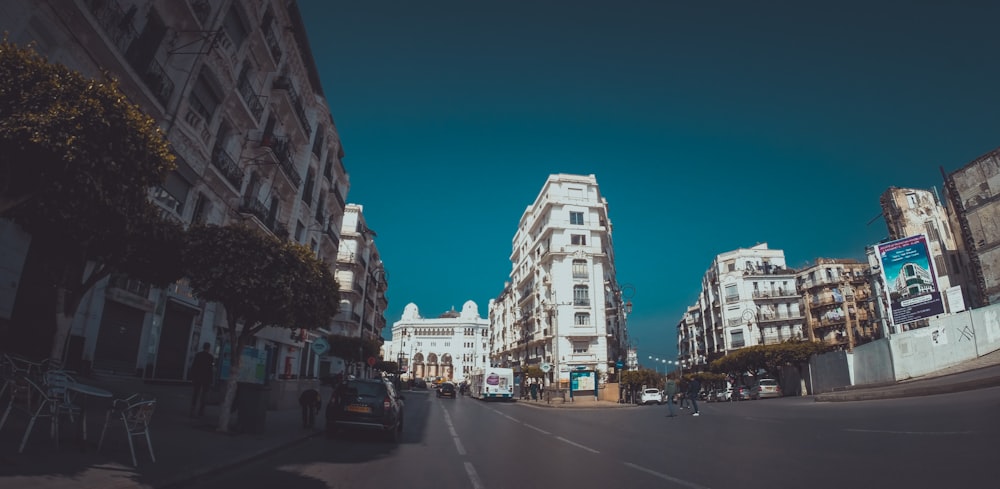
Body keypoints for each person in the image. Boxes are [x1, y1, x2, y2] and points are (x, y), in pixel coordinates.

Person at [189, 342, 214, 418]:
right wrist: (211, 380)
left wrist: (192, 377)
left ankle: (192, 409)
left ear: (203, 347)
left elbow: (194, 366)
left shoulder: (198, 355)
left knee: (196, 394)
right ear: (209, 348)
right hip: (206, 379)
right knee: (204, 395)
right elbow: (210, 370)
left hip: (197, 378)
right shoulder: (210, 357)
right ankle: (201, 411)